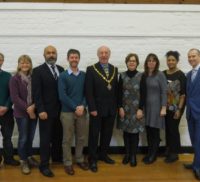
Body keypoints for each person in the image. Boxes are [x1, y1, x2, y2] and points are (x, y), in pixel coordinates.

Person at [32, 45, 64, 177]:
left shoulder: (61, 69)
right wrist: (40, 109)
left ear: (56, 55)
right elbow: (37, 93)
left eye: (53, 53)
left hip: (60, 111)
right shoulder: (38, 71)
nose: (51, 55)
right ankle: (44, 165)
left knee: (58, 136)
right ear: (44, 55)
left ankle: (56, 157)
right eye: (48, 53)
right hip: (46, 111)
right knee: (45, 139)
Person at [85, 46, 118, 172]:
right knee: (94, 134)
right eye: (101, 53)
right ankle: (92, 158)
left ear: (109, 54)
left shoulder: (114, 69)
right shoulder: (91, 69)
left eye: (106, 53)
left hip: (111, 109)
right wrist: (92, 107)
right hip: (96, 109)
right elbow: (88, 91)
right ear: (98, 55)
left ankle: (103, 154)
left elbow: (116, 90)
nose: (104, 55)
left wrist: (116, 107)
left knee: (107, 133)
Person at [58, 49, 88, 175]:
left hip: (82, 112)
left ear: (79, 59)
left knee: (81, 138)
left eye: (76, 57)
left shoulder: (84, 75)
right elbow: (62, 96)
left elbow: (87, 93)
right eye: (72, 57)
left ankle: (80, 159)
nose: (74, 59)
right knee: (67, 139)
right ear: (68, 59)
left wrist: (83, 106)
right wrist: (76, 107)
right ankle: (68, 163)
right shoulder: (63, 76)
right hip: (67, 113)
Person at [9, 55, 39, 174]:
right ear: (19, 64)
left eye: (27, 63)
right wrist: (29, 109)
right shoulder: (14, 79)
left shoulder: (34, 77)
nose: (25, 65)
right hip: (21, 113)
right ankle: (23, 160)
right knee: (23, 138)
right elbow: (15, 98)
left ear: (30, 64)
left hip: (34, 110)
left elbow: (38, 93)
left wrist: (34, 107)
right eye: (22, 63)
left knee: (30, 137)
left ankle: (29, 156)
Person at [139, 53, 167, 164]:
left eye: (153, 60)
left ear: (156, 63)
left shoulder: (160, 75)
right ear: (146, 63)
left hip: (157, 107)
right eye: (149, 60)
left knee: (155, 132)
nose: (151, 62)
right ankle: (150, 152)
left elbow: (164, 92)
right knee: (149, 131)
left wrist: (164, 107)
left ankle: (153, 155)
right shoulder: (144, 75)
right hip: (146, 108)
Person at [117, 53, 144, 167]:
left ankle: (133, 155)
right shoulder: (121, 76)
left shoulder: (142, 76)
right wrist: (120, 107)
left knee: (134, 134)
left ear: (137, 63)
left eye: (134, 60)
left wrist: (141, 109)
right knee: (126, 133)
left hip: (136, 109)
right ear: (126, 62)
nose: (132, 62)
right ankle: (127, 154)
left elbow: (144, 94)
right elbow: (118, 93)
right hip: (125, 109)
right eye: (129, 60)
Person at [163, 51, 186, 163]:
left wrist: (179, 110)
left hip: (176, 107)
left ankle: (174, 153)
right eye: (169, 60)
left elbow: (183, 94)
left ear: (177, 61)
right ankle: (169, 149)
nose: (170, 62)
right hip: (165, 107)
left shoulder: (181, 75)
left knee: (173, 129)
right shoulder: (163, 73)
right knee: (167, 129)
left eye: (173, 60)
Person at [0, 52, 20, 167]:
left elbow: (12, 94)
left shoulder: (8, 76)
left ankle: (9, 158)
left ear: (3, 61)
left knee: (7, 137)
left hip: (6, 112)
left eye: (0, 59)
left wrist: (6, 106)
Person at [184, 48, 200, 180]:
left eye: (193, 56)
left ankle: (198, 167)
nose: (191, 59)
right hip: (190, 113)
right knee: (195, 141)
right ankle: (196, 162)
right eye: (189, 57)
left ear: (199, 57)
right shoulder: (189, 74)